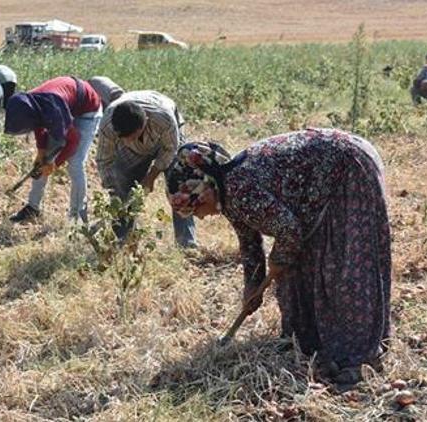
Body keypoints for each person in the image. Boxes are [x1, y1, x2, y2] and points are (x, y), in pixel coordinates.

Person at [166, 128, 392, 384]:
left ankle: (356, 355)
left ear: (204, 189)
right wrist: (252, 289)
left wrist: (278, 259)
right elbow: (250, 244)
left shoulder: (239, 189)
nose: (200, 217)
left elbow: (288, 230)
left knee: (344, 264)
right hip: (322, 180)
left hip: (348, 168)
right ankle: (309, 341)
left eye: (195, 209)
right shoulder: (229, 191)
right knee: (295, 265)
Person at [96, 90, 196, 248]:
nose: (128, 141)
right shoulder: (108, 125)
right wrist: (114, 191)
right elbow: (104, 160)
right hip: (135, 150)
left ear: (144, 124)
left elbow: (170, 150)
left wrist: (151, 177)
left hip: (169, 139)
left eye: (132, 137)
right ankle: (123, 241)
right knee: (120, 181)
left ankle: (186, 242)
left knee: (178, 183)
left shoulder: (163, 118)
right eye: (124, 138)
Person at [4, 76, 102, 223]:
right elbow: (38, 125)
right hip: (66, 105)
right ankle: (33, 208)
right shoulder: (29, 104)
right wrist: (41, 153)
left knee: (75, 163)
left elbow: (72, 141)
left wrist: (54, 164)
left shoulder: (51, 109)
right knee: (41, 163)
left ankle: (78, 217)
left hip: (88, 110)